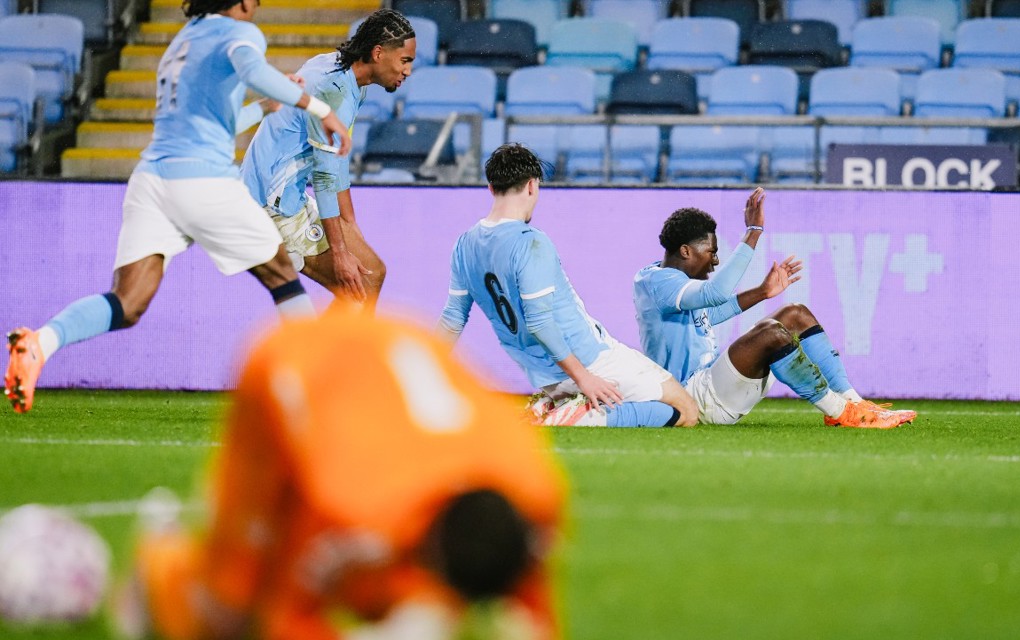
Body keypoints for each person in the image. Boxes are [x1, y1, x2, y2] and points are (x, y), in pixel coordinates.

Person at [113, 311, 567, 640]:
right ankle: (160, 563)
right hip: (291, 366)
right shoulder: (345, 508)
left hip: (397, 351)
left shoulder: (536, 493)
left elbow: (533, 613)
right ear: (425, 552)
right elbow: (285, 620)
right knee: (230, 611)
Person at [3, 0, 353, 414]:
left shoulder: (183, 42)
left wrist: (263, 107)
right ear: (241, 2)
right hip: (202, 181)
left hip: (152, 182)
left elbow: (210, 125)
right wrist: (319, 107)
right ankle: (317, 398)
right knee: (281, 271)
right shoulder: (239, 33)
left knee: (128, 302)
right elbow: (254, 70)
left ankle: (39, 344)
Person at [437, 144, 698, 428]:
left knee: (650, 404)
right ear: (531, 186)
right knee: (686, 410)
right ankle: (577, 416)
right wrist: (584, 378)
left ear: (490, 188)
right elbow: (539, 323)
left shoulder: (465, 244)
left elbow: (452, 319)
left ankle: (557, 404)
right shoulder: (530, 242)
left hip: (542, 373)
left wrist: (424, 372)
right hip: (586, 360)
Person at [633, 187, 918, 428]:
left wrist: (762, 292)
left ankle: (853, 402)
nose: (716, 261)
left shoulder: (673, 282)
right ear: (685, 251)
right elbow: (717, 292)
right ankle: (843, 413)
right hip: (692, 397)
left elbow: (711, 314)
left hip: (713, 383)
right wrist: (753, 232)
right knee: (772, 333)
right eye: (712, 252)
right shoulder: (658, 281)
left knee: (795, 313)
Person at [240, 9, 416, 311]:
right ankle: (328, 357)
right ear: (377, 53)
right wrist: (340, 252)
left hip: (284, 192)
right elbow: (323, 177)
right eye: (405, 61)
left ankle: (329, 353)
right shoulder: (332, 91)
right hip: (271, 205)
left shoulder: (342, 72)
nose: (408, 72)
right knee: (365, 282)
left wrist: (351, 226)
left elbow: (337, 162)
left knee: (370, 275)